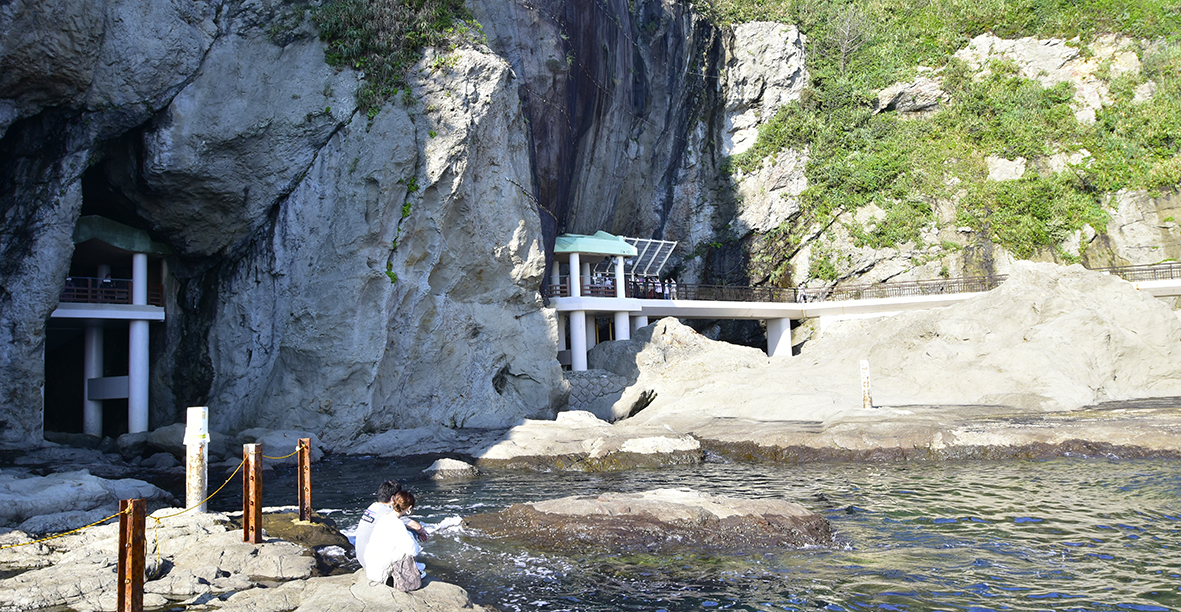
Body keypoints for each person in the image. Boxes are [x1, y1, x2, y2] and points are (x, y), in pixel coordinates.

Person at [355, 480, 428, 569]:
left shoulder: (372, 507)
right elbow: (417, 526)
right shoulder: (388, 512)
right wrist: (421, 532)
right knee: (410, 531)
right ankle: (411, 567)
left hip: (362, 559)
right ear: (393, 498)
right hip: (375, 565)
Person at [364, 490, 425, 590]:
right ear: (409, 508)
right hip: (381, 574)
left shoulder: (384, 517)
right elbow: (412, 551)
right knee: (409, 545)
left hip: (371, 567)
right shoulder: (397, 523)